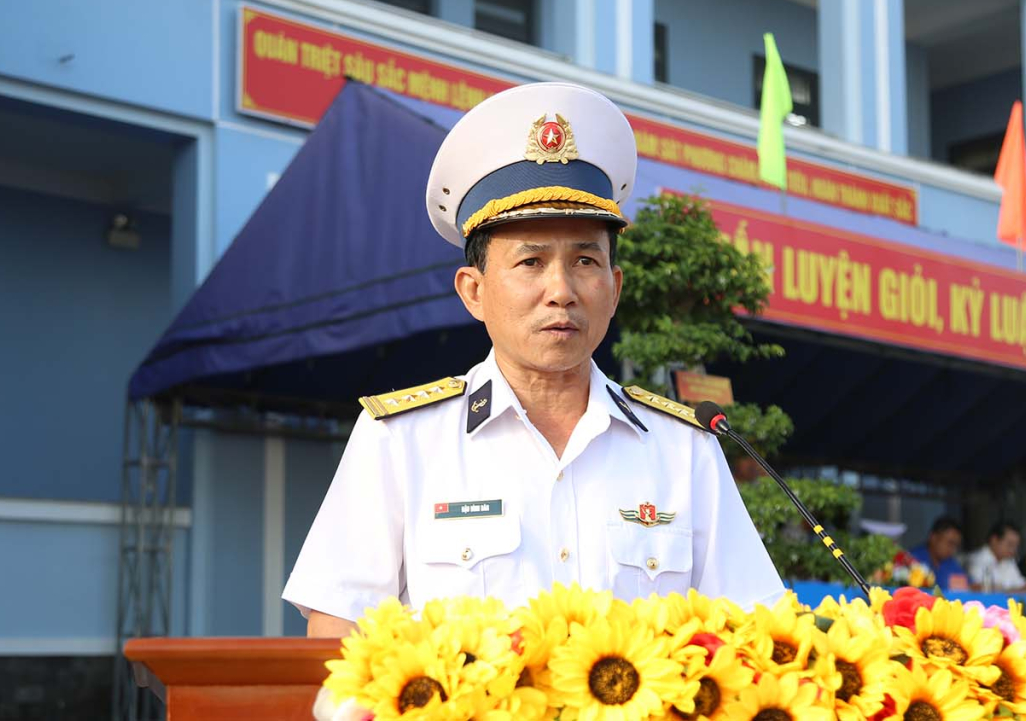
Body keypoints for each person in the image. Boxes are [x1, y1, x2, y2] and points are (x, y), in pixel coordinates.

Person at [283, 82, 785, 638]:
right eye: (531, 262)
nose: (561, 291)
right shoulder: (401, 441)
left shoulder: (684, 449)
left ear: (615, 288)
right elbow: (338, 633)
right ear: (474, 291)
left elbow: (751, 632)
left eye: (585, 261)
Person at [966, 520, 1026, 592]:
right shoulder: (977, 560)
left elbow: (1021, 585)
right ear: (994, 540)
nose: (1013, 550)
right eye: (1010, 544)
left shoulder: (1008, 561)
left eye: (1016, 546)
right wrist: (1011, 590)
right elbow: (981, 588)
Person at [908, 516, 969, 591]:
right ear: (933, 537)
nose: (953, 549)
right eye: (950, 543)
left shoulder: (950, 562)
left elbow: (968, 585)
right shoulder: (912, 558)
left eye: (956, 545)